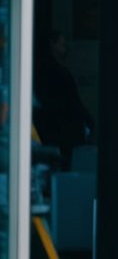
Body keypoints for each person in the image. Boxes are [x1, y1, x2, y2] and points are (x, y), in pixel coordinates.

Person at [33, 31, 94, 167]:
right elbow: (72, 101)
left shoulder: (50, 70)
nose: (65, 49)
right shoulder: (53, 72)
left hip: (57, 129)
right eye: (62, 45)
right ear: (52, 45)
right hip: (60, 130)